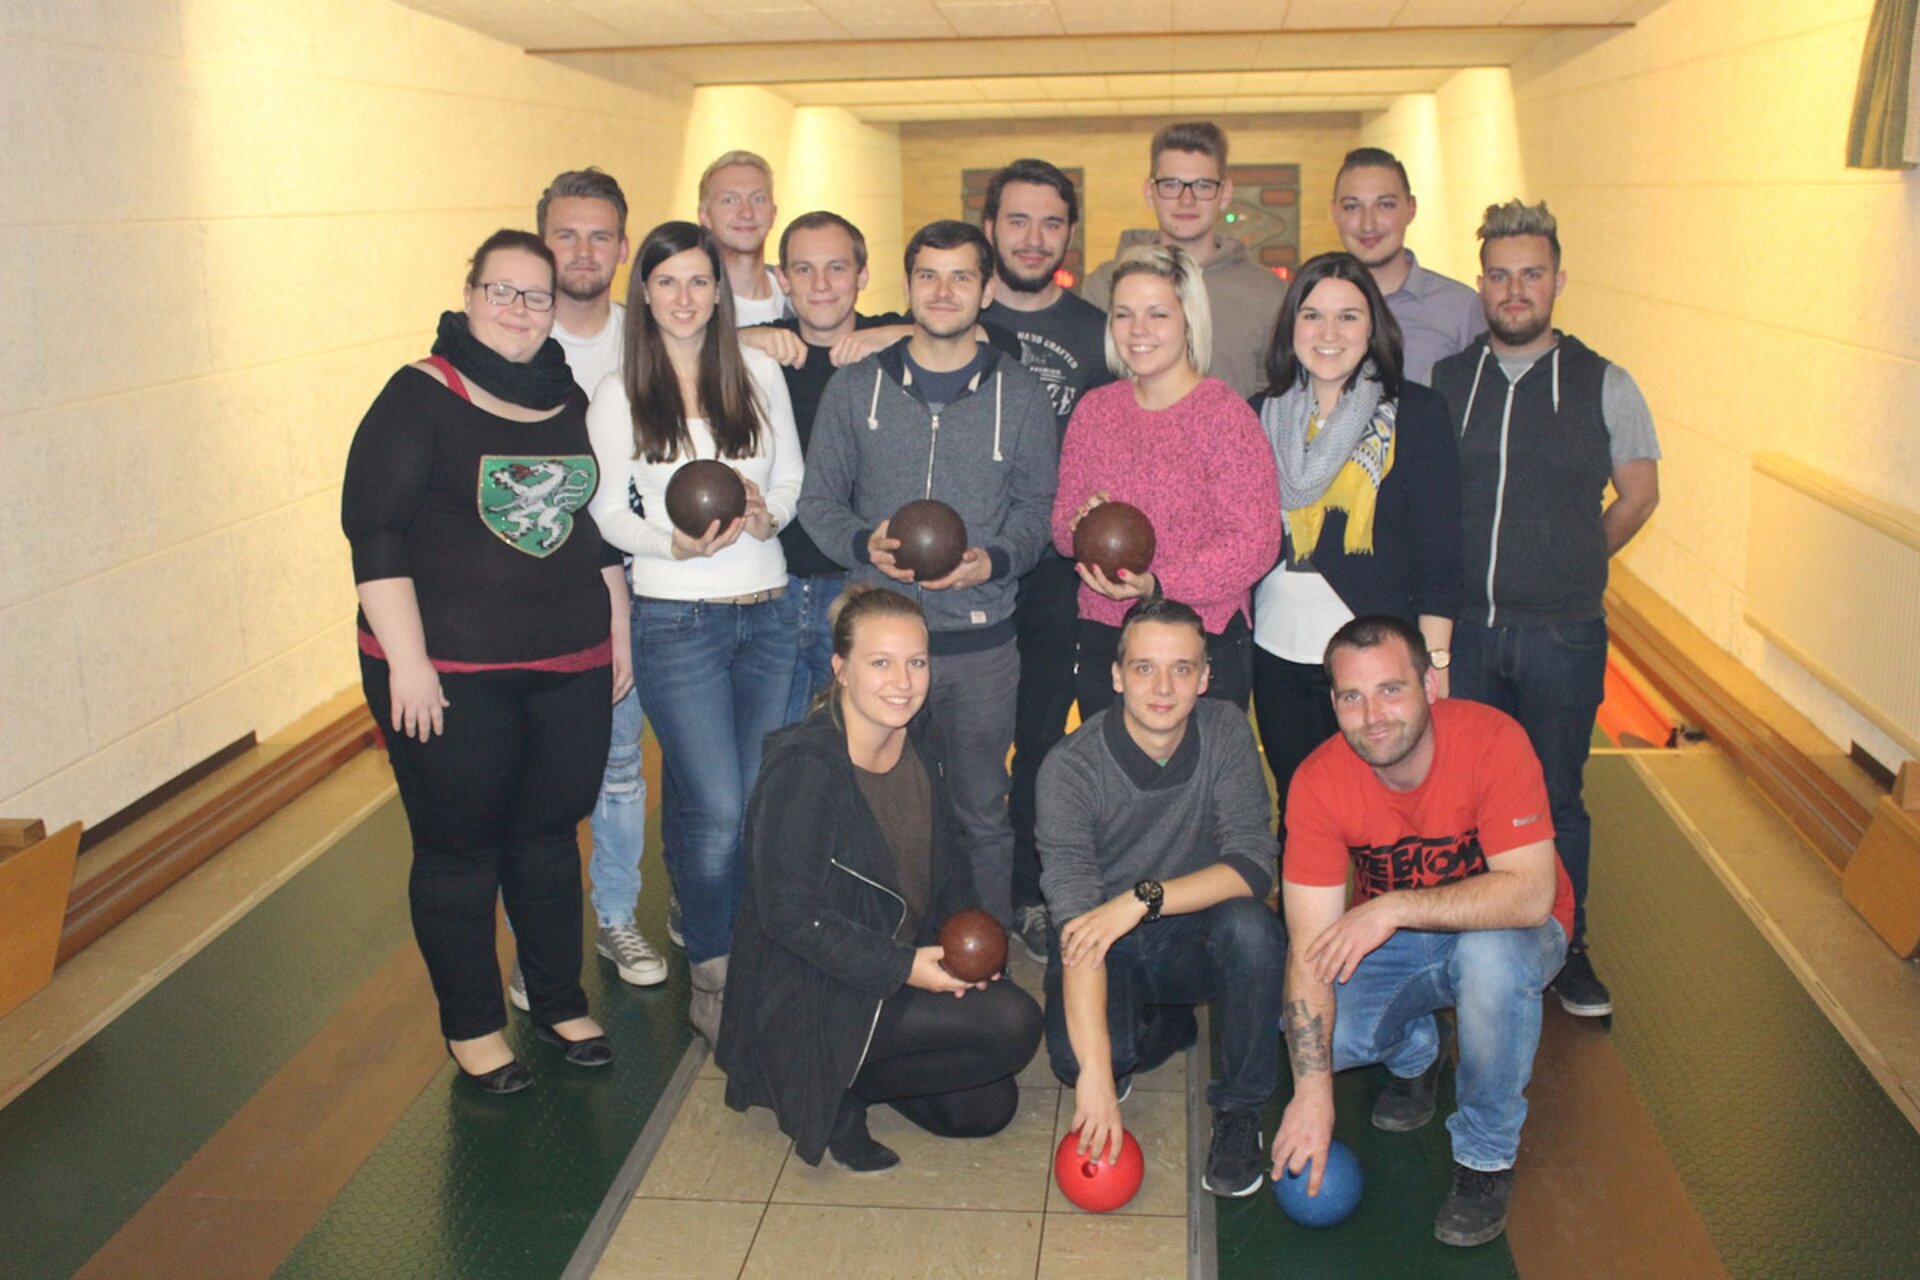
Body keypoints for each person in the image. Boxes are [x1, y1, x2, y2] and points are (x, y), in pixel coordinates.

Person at [341, 228, 622, 1093]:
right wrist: (408, 664)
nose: (518, 309)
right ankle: (472, 1028)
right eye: (501, 290)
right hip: (451, 674)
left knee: (547, 841)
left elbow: (591, 527)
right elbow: (374, 534)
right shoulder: (417, 395)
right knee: (459, 853)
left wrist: (617, 634)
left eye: (536, 296)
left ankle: (557, 998)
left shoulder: (566, 397)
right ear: (469, 297)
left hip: (569, 663)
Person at [1272, 614, 1575, 1248]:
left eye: (1391, 689)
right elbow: (1309, 951)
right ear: (1334, 705)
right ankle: (1418, 1048)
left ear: (1430, 686)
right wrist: (1313, 1093)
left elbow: (1529, 895)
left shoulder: (1493, 740)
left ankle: (1485, 1156)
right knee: (1322, 1039)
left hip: (1513, 930)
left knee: (1489, 962)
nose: (1372, 716)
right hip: (1403, 941)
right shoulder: (1319, 782)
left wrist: (1391, 908)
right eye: (1351, 697)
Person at [718, 586, 1043, 1171]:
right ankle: (830, 1091)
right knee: (1012, 1022)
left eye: (916, 662)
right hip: (814, 986)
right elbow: (788, 915)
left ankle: (856, 1080)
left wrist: (968, 949)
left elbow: (950, 861)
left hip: (892, 961)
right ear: (841, 669)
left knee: (985, 1109)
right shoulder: (805, 769)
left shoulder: (921, 736)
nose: (903, 681)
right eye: (880, 663)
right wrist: (904, 968)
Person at [1431, 199, 1661, 1018]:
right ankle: (1463, 947)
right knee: (1462, 799)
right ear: (1482, 284)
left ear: (1558, 281)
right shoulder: (1449, 381)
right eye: (1500, 276)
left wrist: (1576, 560)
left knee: (1556, 796)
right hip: (1466, 631)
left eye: (1531, 274)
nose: (1515, 289)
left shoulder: (1605, 382)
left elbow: (1639, 496)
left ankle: (1568, 946)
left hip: (1564, 634)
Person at [798, 219, 1058, 933]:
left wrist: (992, 559)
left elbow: (1038, 511)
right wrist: (864, 544)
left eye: (961, 276)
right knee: (872, 808)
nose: (944, 292)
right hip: (879, 646)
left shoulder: (1022, 395)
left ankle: (986, 953)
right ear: (907, 285)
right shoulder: (856, 388)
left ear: (987, 289)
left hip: (980, 643)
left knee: (981, 811)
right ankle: (880, 953)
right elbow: (818, 502)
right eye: (929, 276)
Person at [584, 220, 803, 1043]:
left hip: (769, 612)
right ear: (644, 293)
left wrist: (766, 516)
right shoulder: (619, 394)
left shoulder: (757, 373)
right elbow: (607, 511)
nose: (684, 297)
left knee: (750, 805)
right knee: (717, 808)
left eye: (699, 281)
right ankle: (715, 973)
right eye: (668, 281)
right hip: (677, 620)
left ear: (719, 293)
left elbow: (791, 477)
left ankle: (729, 939)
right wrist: (667, 543)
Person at [1038, 598, 1287, 1198]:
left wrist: (1140, 899)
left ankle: (1240, 1112)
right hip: (1104, 942)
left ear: (1205, 678)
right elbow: (1079, 929)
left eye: (1182, 669)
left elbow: (1253, 866)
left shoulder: (1225, 731)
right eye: (1144, 668)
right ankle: (1162, 1026)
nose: (1163, 687)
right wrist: (1096, 1079)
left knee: (1254, 931)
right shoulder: (1069, 769)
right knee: (1078, 1063)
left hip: (1190, 930)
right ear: (1116, 675)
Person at [515, 166, 667, 1000]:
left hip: (635, 586)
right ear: (543, 243)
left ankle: (614, 914)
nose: (583, 250)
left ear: (623, 247)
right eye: (566, 235)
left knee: (618, 767)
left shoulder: (650, 339)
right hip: (537, 599)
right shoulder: (514, 341)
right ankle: (539, 948)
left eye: (599, 235)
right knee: (536, 781)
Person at [1249, 251, 1463, 839]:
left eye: (1348, 316)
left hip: (1375, 657)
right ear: (1292, 326)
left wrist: (1435, 661)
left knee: (1387, 817)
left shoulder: (1416, 414)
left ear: (1374, 328)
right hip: (1277, 650)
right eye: (1312, 315)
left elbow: (1440, 551)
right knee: (1300, 810)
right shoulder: (1259, 415)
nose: (1329, 333)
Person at [978, 159, 1116, 965]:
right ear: (990, 227)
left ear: (1070, 234)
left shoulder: (1098, 332)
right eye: (1018, 220)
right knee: (953, 742)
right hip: (969, 566)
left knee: (1040, 740)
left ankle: (1029, 891)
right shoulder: (953, 310)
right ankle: (958, 889)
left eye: (1051, 223)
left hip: (1059, 572)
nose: (1034, 238)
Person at [1052, 243, 1281, 720]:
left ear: (1188, 321)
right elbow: (1061, 529)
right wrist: (1081, 523)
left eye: (1157, 314)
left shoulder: (1225, 416)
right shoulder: (1096, 411)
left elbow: (1255, 543)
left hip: (1200, 639)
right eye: (1124, 314)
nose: (1138, 330)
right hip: (1108, 637)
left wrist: (1157, 584)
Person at [1083, 121, 1286, 398]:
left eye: (1203, 185)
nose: (1186, 200)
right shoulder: (1103, 286)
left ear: (1225, 193)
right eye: (1171, 184)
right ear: (1149, 191)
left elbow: (1276, 394)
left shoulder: (1267, 293)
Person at [1329, 147, 1485, 384]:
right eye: (1352, 207)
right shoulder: (1310, 308)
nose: (1368, 224)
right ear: (1335, 213)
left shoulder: (1461, 309)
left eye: (1385, 205)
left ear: (1410, 209)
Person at [696, 150, 791, 326]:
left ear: (773, 213)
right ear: (705, 216)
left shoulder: (802, 297)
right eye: (730, 200)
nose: (747, 213)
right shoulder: (686, 307)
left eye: (758, 199)